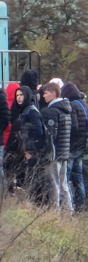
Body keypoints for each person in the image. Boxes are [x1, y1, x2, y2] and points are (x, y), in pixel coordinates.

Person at [41, 82, 73, 212]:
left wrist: (46, 151)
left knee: (54, 184)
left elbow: (51, 134)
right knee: (63, 184)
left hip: (55, 153)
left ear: (53, 93)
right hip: (64, 152)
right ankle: (69, 210)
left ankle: (55, 211)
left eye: (46, 93)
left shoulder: (53, 111)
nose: (43, 96)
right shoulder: (66, 109)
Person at [61, 82, 87, 212]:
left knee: (66, 176)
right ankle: (81, 205)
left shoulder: (72, 106)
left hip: (73, 147)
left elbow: (74, 126)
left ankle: (68, 206)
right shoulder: (83, 104)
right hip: (82, 147)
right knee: (79, 177)